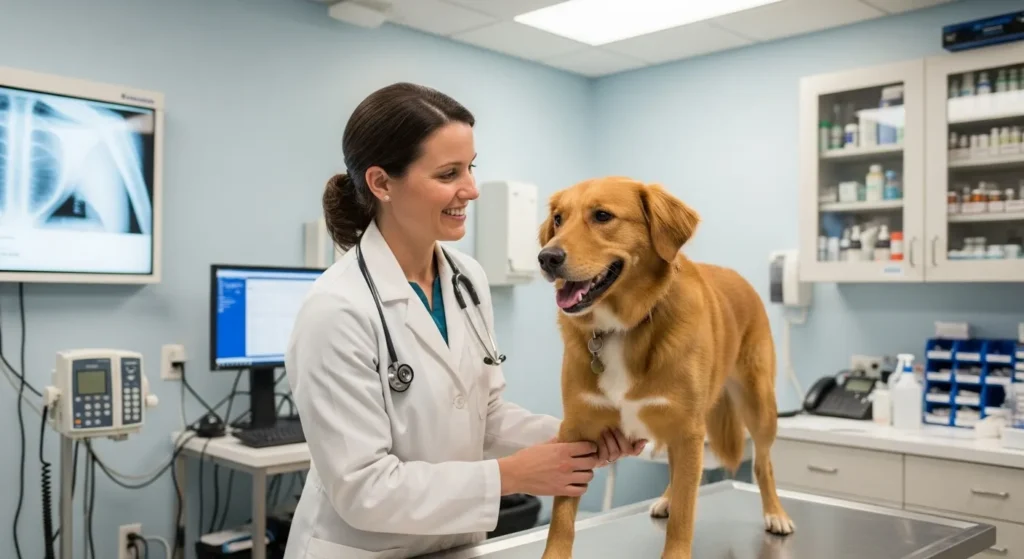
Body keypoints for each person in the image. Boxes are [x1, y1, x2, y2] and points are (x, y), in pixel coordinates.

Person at [283, 82, 646, 559]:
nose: (471, 189)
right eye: (448, 173)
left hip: (454, 545)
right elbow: (363, 489)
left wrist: (576, 436)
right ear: (381, 183)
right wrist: (513, 476)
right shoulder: (336, 309)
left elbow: (486, 417)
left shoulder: (466, 280)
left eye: (471, 167)